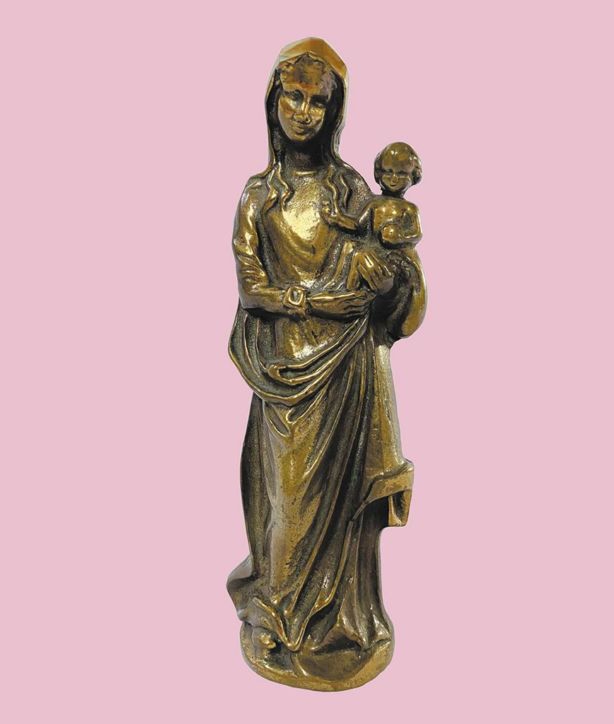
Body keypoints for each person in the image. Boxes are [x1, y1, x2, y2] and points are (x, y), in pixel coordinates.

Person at [227, 38, 427, 691]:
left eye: (317, 101)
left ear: (334, 111)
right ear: (272, 102)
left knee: (341, 510)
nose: (303, 112)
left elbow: (391, 298)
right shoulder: (260, 196)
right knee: (285, 501)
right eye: (293, 96)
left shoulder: (351, 191)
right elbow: (251, 288)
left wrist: (397, 270)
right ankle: (279, 616)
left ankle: (341, 624)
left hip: (346, 376)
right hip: (284, 375)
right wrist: (308, 301)